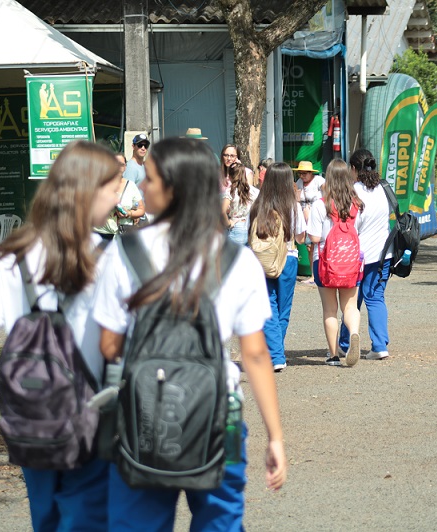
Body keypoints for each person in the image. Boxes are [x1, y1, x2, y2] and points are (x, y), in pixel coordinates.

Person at [93, 137, 286, 530]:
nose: (141, 187)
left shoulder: (124, 253)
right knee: (220, 523)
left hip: (140, 413)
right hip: (221, 415)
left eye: (149, 179)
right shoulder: (236, 261)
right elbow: (255, 355)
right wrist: (275, 437)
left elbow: (108, 346)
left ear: (173, 187)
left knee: (136, 524)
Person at [0, 140, 121, 531]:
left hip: (30, 412)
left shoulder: (8, 254)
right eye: (113, 188)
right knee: (87, 511)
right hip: (93, 409)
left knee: (44, 511)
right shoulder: (110, 255)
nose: (119, 197)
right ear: (88, 193)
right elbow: (114, 342)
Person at [249, 162, 306, 371]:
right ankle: (277, 354)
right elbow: (300, 237)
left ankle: (274, 355)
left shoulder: (259, 205)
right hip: (288, 258)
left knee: (268, 307)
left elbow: (251, 233)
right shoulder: (293, 206)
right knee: (283, 309)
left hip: (263, 260)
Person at [307, 158, 363, 367]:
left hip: (324, 262)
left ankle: (333, 355)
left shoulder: (320, 205)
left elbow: (313, 238)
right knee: (350, 306)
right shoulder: (356, 205)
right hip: (351, 262)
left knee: (330, 310)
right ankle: (354, 333)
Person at [338, 149, 392, 360]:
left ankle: (344, 344)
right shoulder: (385, 188)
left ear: (353, 169)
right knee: (376, 298)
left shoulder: (353, 192)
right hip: (384, 253)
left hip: (358, 256)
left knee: (351, 302)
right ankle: (380, 345)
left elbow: (352, 225)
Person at [94, 154, 146, 241]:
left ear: (125, 167)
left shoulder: (131, 185)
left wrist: (129, 213)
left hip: (123, 233)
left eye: (121, 164)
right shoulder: (101, 184)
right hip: (102, 234)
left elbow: (141, 209)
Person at [223, 161, 259, 246]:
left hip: (236, 226)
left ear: (230, 176)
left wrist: (228, 224)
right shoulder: (254, 191)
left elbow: (222, 211)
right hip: (251, 227)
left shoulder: (230, 191)